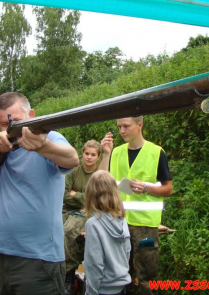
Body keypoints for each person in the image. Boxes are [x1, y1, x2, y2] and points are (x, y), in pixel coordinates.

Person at [0, 92, 79, 295]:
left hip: (38, 256)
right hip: (2, 251)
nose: (11, 129)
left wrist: (42, 146)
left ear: (31, 115)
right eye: (4, 124)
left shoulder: (50, 137)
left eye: (16, 122)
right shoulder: (4, 146)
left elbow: (72, 159)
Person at [100, 116, 173, 295]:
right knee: (119, 274)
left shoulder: (156, 152)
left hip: (145, 226)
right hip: (118, 223)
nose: (122, 131)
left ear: (139, 125)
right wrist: (106, 153)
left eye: (126, 126)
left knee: (148, 276)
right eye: (119, 127)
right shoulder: (116, 152)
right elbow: (100, 180)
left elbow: (168, 188)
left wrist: (147, 188)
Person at [63, 140, 102, 294]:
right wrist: (86, 196)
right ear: (82, 153)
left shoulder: (99, 175)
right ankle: (61, 274)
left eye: (93, 155)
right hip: (69, 211)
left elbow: (96, 200)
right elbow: (65, 195)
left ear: (98, 157)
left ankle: (70, 275)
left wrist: (76, 194)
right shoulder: (73, 172)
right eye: (86, 153)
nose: (89, 157)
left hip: (90, 213)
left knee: (68, 231)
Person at [83, 170, 131, 295]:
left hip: (102, 289)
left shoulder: (93, 224)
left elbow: (94, 263)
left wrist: (91, 292)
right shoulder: (121, 219)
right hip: (121, 286)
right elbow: (127, 252)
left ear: (90, 194)